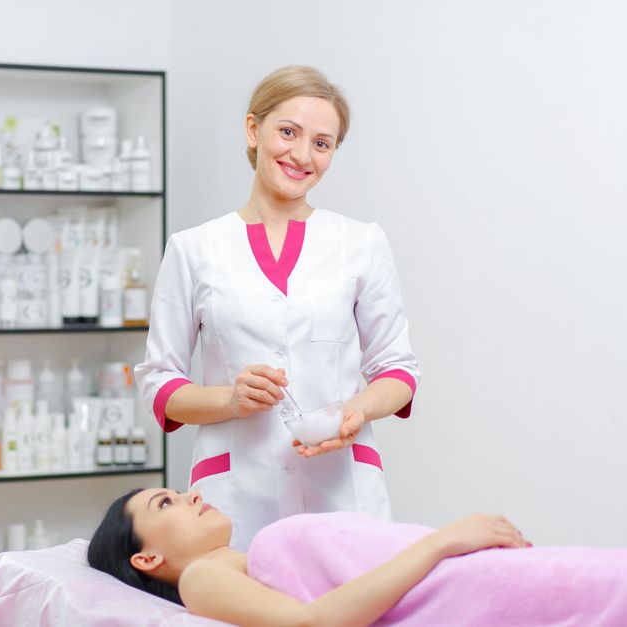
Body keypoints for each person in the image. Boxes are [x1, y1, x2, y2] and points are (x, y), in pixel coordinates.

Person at [135, 65, 419, 549]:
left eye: (322, 143)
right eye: (288, 132)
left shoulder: (361, 242)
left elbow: (398, 370)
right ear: (253, 130)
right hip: (236, 494)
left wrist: (355, 411)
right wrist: (230, 399)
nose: (302, 155)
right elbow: (159, 382)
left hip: (343, 488)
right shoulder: (194, 249)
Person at [88, 488, 627, 626]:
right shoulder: (202, 577)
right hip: (465, 583)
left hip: (475, 574)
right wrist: (441, 541)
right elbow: (310, 622)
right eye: (167, 503)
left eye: (179, 491)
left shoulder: (246, 558)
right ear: (147, 559)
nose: (191, 496)